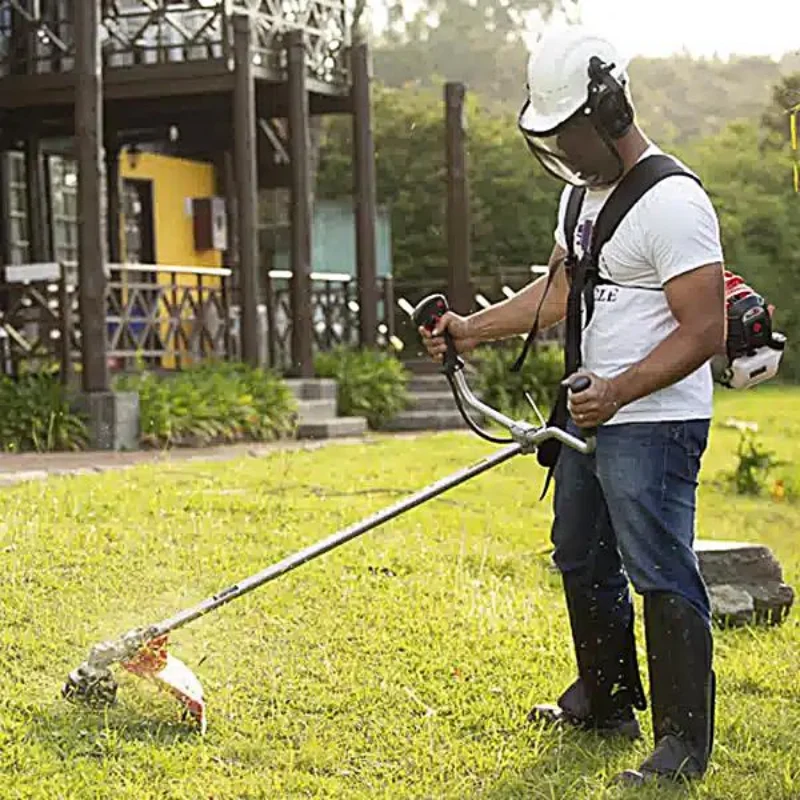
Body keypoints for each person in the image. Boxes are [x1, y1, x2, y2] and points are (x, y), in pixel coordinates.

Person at [419, 24, 725, 786]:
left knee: (659, 566)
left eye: (569, 133)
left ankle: (683, 745)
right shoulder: (578, 198)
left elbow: (706, 329)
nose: (561, 149)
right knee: (580, 551)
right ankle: (605, 700)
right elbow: (559, 293)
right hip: (590, 413)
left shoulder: (673, 203)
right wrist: (469, 329)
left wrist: (619, 390)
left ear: (611, 111)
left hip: (653, 422)